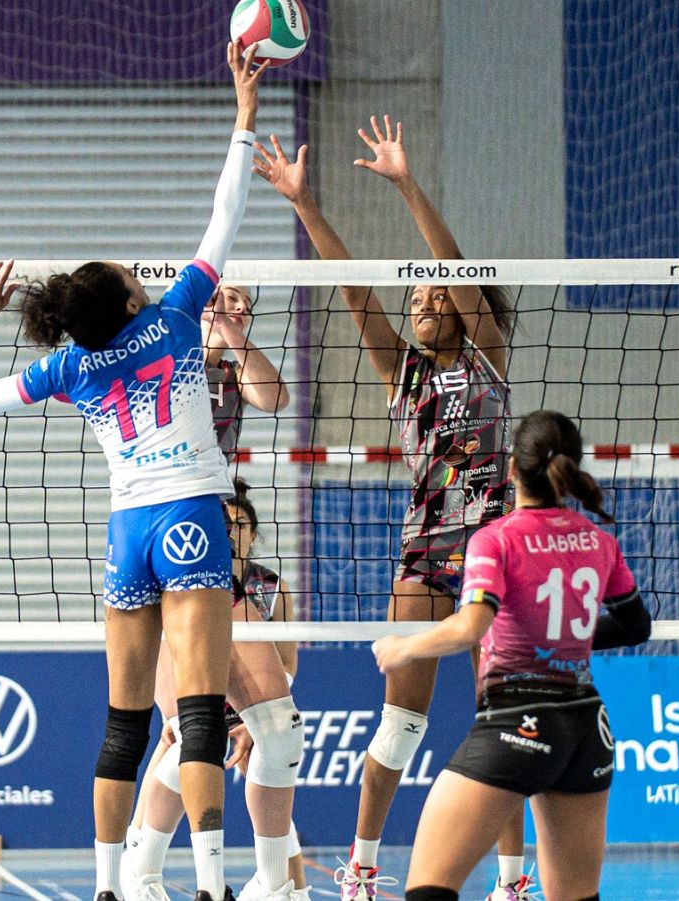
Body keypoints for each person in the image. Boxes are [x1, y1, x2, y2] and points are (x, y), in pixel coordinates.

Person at [0, 41, 268, 901]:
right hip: (192, 519)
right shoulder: (175, 317)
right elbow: (227, 212)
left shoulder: (71, 367)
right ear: (132, 300)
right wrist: (244, 112)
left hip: (127, 533)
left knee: (125, 722)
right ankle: (211, 887)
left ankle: (105, 888)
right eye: (133, 275)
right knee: (199, 715)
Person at [254, 116, 524, 899]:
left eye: (436, 294)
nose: (423, 300)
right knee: (400, 727)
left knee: (502, 726)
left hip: (495, 551)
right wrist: (305, 204)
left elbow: (453, 267)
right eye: (417, 296)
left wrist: (406, 185)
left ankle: (511, 882)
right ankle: (363, 867)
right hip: (424, 555)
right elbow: (352, 288)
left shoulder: (488, 357)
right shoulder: (400, 372)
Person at [372, 410, 652, 901]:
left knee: (427, 892)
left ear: (512, 469)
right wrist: (557, 637)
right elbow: (635, 625)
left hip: (517, 721)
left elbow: (471, 626)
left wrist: (404, 648)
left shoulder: (497, 538)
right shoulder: (599, 542)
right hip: (586, 727)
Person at [122, 478, 306, 901]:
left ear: (253, 534)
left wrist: (249, 719)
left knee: (281, 737)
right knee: (193, 739)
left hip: (245, 691)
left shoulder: (270, 587)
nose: (232, 531)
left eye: (240, 525)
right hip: (185, 655)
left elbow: (287, 661)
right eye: (226, 524)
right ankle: (141, 866)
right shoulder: (178, 564)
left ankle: (277, 886)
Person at [204, 284, 290, 462]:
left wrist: (224, 324)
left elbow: (277, 400)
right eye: (232, 298)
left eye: (248, 306)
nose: (242, 307)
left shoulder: (234, 375)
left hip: (212, 478)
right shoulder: (167, 359)